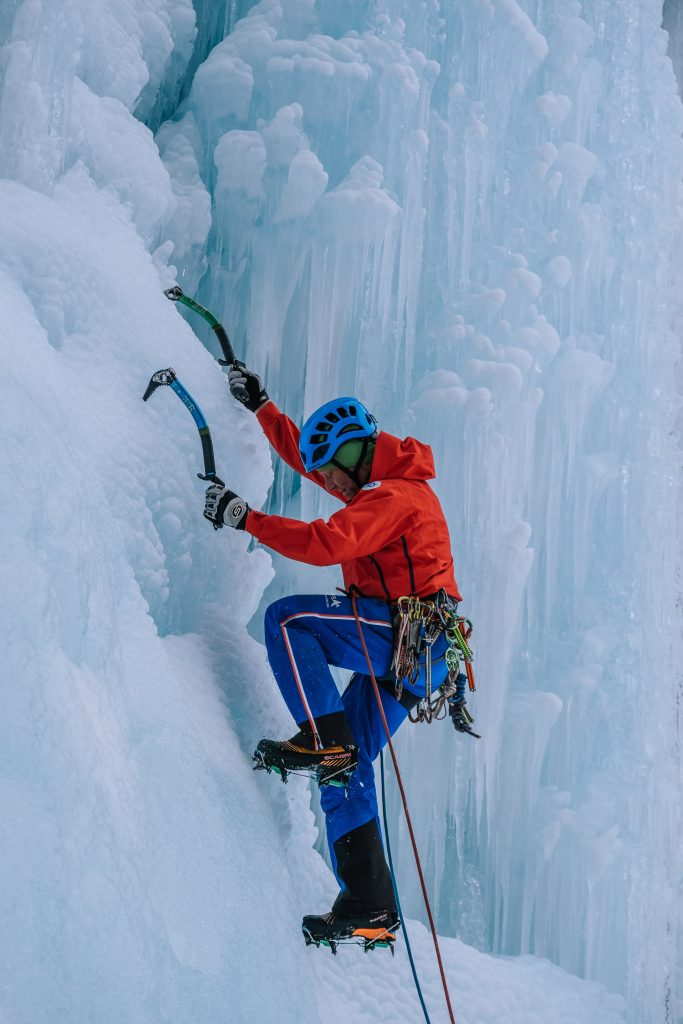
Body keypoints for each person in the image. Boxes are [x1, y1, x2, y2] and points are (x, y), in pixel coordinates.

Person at [203, 363, 473, 951]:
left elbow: (329, 543)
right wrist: (263, 407)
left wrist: (244, 517)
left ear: (355, 455)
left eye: (334, 471)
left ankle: (325, 738)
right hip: (421, 655)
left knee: (290, 619)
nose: (328, 481)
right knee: (345, 767)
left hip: (406, 639)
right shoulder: (374, 484)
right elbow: (308, 460)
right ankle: (370, 905)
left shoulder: (395, 498)